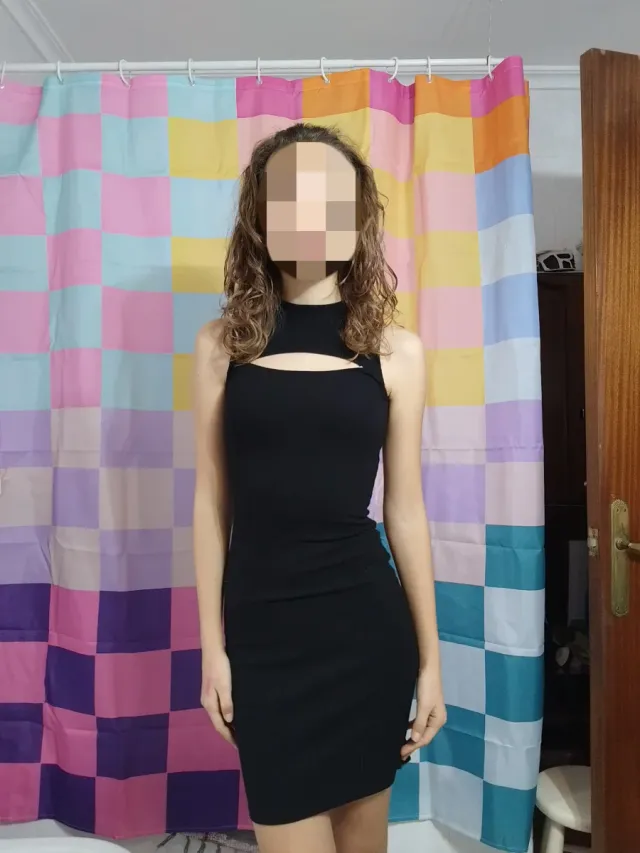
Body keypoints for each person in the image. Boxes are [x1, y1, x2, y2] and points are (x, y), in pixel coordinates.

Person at [193, 122, 446, 853]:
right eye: (289, 196)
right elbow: (210, 505)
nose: (310, 214)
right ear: (260, 214)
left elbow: (405, 511)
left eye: (330, 196)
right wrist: (212, 649)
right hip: (265, 640)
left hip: (365, 637)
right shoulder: (220, 346)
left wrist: (431, 663)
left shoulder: (397, 352)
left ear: (357, 214)